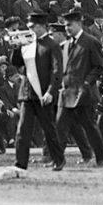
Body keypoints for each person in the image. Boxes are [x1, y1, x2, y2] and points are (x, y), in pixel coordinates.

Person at [9, 12, 66, 172]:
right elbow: (17, 63)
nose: (30, 30)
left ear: (41, 27)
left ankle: (58, 159)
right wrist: (15, 48)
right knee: (22, 131)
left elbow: (57, 71)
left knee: (49, 130)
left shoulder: (52, 45)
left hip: (43, 95)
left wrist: (50, 92)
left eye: (33, 27)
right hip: (28, 93)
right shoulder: (27, 44)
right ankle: (20, 163)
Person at [55, 10, 103, 166]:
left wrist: (86, 83)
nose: (67, 29)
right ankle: (58, 159)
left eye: (69, 25)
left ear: (79, 24)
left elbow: (99, 67)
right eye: (65, 26)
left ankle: (102, 156)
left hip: (84, 93)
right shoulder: (67, 44)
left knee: (90, 127)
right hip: (67, 92)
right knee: (60, 126)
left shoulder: (91, 42)